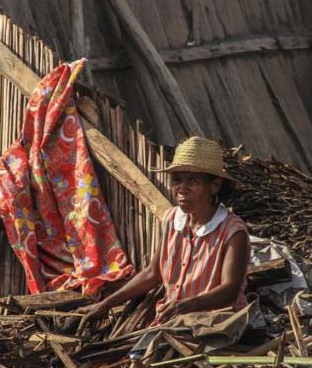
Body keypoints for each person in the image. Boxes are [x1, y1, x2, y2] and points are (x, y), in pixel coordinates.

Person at [79, 136, 250, 330]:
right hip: (174, 322)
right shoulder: (172, 220)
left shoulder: (233, 232)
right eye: (177, 180)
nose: (182, 189)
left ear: (215, 185)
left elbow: (230, 291)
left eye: (193, 181)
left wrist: (187, 306)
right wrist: (106, 304)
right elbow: (153, 273)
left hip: (216, 323)